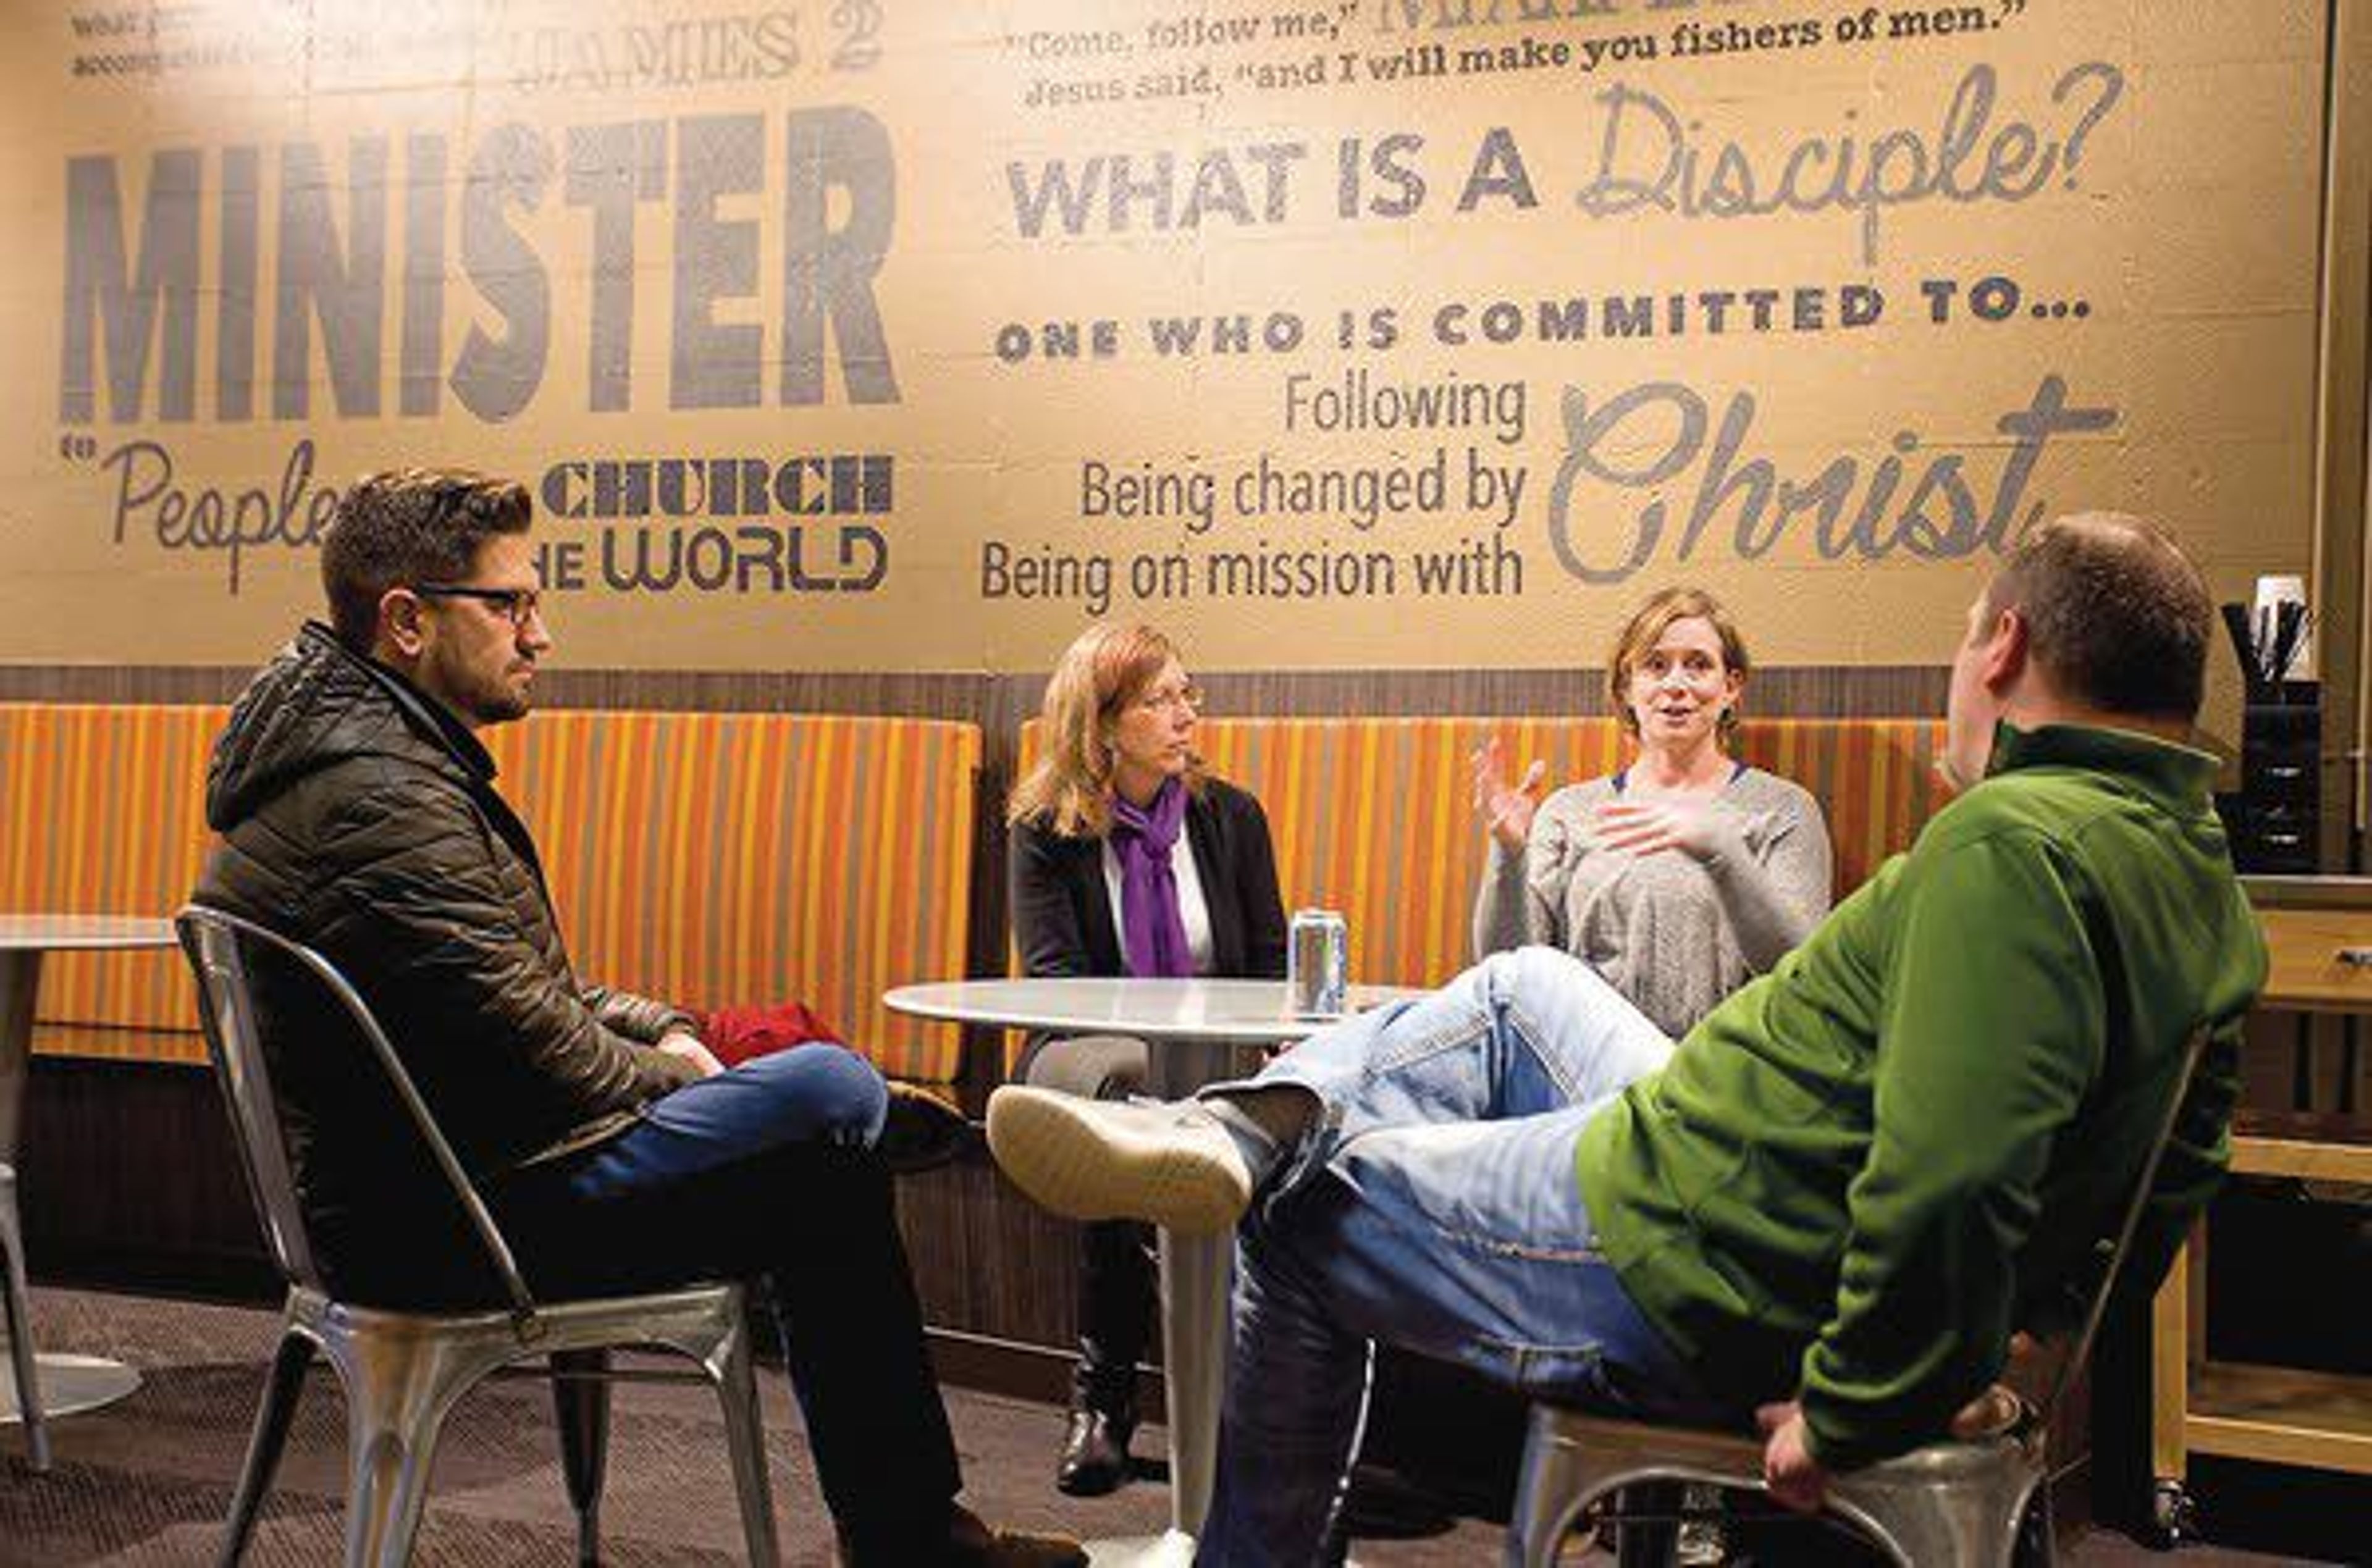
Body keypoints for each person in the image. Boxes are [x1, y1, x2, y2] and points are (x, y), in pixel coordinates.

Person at [987, 513, 2268, 1564]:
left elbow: (1954, 1171)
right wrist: (2024, 1372)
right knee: (1519, 987)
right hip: (1724, 1139)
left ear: (2004, 647)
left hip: (1697, 1219)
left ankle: (1256, 1206)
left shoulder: (2009, 843)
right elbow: (2166, 1190)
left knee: (1301, 1214)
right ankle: (1239, 1122)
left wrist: (1858, 1404)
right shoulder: (2207, 888)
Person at [194, 468, 1081, 1568]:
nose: (541, 632)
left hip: (435, 1180)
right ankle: (911, 1531)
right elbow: (548, 1042)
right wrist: (699, 1079)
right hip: (456, 1220)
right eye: (509, 604)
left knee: (821, 1153)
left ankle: (912, 1532)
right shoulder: (383, 794)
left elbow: (524, 990)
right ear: (409, 620)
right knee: (823, 1097)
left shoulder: (360, 760)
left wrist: (662, 1025)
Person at [1006, 623, 1287, 1496]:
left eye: (1187, 695)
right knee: (1128, 1101)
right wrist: (1162, 1051)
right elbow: (1057, 985)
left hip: (1214, 1052)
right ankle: (1104, 1393)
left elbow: (1269, 963)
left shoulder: (1230, 815)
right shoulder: (1045, 829)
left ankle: (1181, 1400)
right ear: (1100, 722)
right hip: (1088, 1051)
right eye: (1159, 700)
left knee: (1218, 1111)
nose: (1183, 717)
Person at [1471, 586, 1833, 1038]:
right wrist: (1509, 852)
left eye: (1699, 665)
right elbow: (1506, 973)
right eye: (1655, 665)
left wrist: (1723, 855)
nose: (1676, 684)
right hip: (1583, 1059)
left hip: (1718, 1067)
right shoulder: (1569, 811)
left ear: (1731, 687)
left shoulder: (1783, 809)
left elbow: (1802, 978)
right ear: (1627, 687)